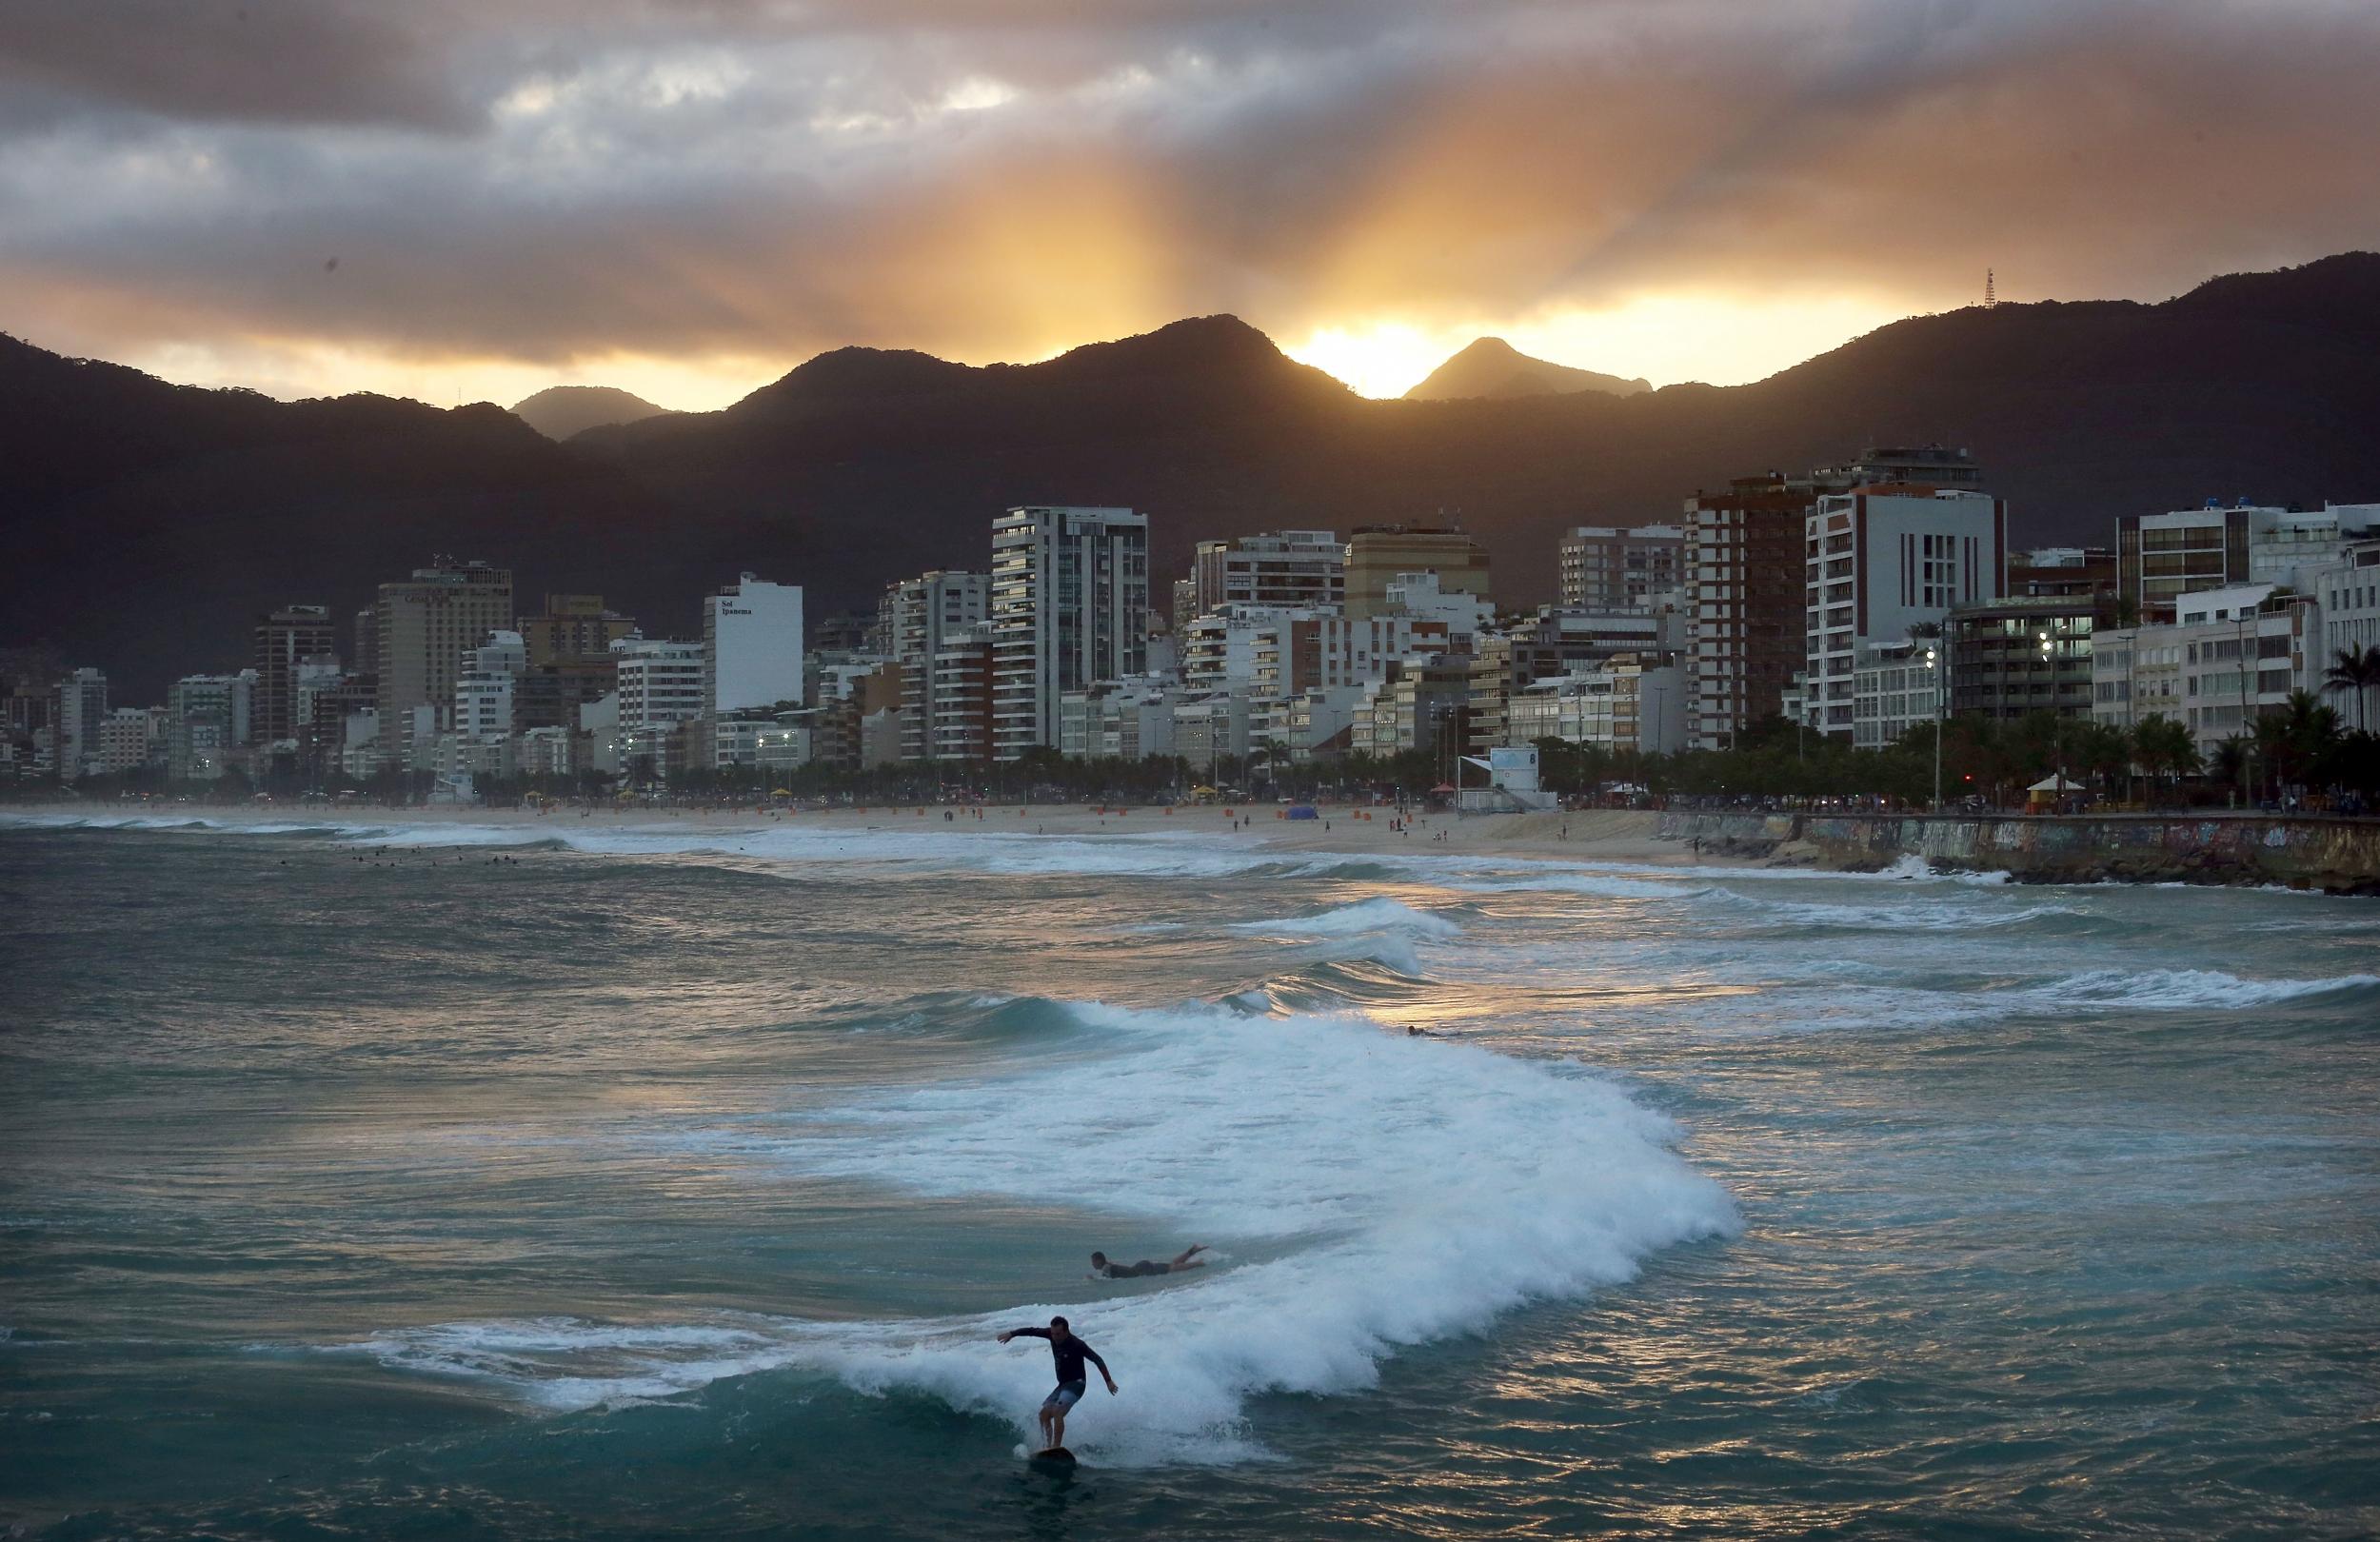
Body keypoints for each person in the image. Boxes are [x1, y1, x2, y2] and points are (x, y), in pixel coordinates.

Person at [997, 1316, 1116, 1452]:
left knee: (1057, 1411)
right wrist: (1012, 1334)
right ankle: (1047, 1447)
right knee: (1043, 1415)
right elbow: (1032, 1331)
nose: (1054, 1337)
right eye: (1053, 1333)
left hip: (1077, 1384)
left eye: (1058, 1334)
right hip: (1063, 1385)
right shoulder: (1051, 1335)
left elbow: (1097, 1359)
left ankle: (1056, 1447)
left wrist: (1108, 1381)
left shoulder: (1077, 1345)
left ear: (1066, 1331)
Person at [1089, 1243, 1207, 1280]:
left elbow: (1105, 1280)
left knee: (1172, 1269)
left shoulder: (1106, 1269)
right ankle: (1192, 1251)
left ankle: (1198, 1263)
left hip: (1142, 1270)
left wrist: (1092, 1279)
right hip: (1141, 1267)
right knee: (1171, 1265)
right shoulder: (1107, 1266)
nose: (1092, 1264)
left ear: (1099, 1261)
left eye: (1093, 1262)